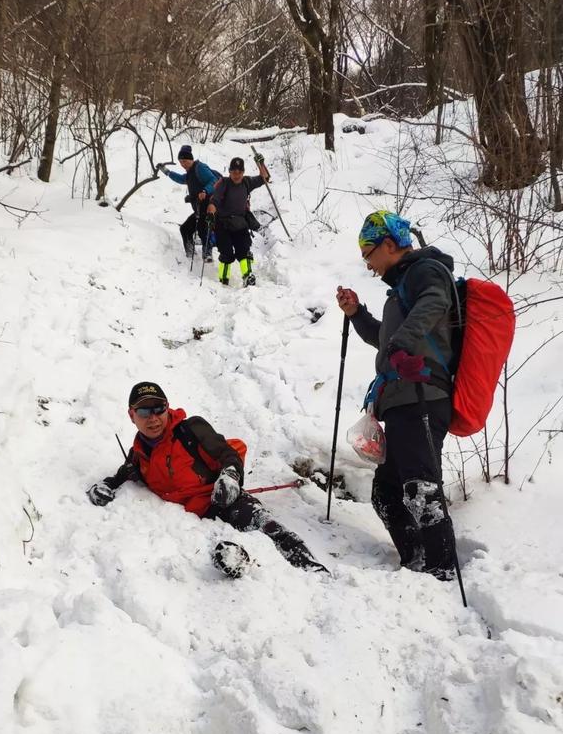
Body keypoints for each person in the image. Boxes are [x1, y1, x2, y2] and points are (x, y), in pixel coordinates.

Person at [87, 382, 328, 574]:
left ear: (167, 407)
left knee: (269, 527)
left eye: (158, 408)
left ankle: (314, 572)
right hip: (192, 524)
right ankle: (243, 565)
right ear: (132, 415)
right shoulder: (139, 453)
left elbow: (227, 455)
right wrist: (105, 486)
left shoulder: (191, 429)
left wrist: (230, 477)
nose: (153, 417)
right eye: (144, 411)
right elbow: (122, 474)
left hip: (222, 499)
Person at [337, 209, 457, 581]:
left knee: (420, 488)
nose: (367, 263)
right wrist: (357, 314)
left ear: (389, 244)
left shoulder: (426, 271)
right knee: (387, 493)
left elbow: (437, 300)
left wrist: (404, 345)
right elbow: (385, 341)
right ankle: (417, 559)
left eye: (369, 252)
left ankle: (441, 571)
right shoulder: (401, 289)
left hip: (422, 395)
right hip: (402, 399)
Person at [207, 155, 270, 287]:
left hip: (240, 223)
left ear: (243, 172)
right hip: (223, 224)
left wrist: (260, 164)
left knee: (244, 250)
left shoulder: (247, 182)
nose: (237, 175)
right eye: (234, 172)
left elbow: (265, 177)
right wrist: (211, 213)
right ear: (229, 171)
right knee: (226, 253)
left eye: (239, 172)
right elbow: (214, 201)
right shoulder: (223, 183)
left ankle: (247, 276)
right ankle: (223, 280)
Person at [158, 145, 221, 260]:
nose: (183, 164)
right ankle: (191, 256)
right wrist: (166, 171)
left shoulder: (199, 168)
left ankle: (207, 255)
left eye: (185, 161)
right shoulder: (190, 172)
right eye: (181, 162)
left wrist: (205, 191)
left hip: (208, 207)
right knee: (185, 229)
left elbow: (214, 180)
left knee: (203, 230)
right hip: (199, 209)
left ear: (191, 159)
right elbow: (182, 179)